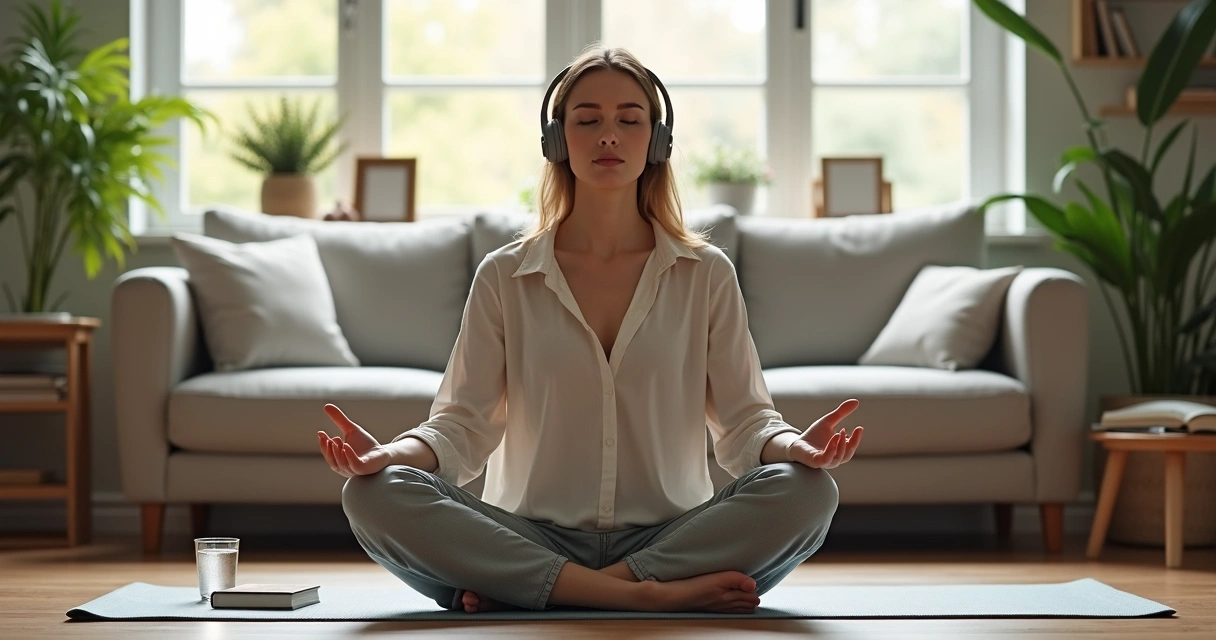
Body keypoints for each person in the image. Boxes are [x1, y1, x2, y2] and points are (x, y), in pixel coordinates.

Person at [317, 44, 863, 615]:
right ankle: (642, 597)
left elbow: (745, 422)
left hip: (670, 539)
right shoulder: (505, 275)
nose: (608, 136)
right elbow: (460, 425)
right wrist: (393, 454)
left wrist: (794, 447)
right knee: (375, 495)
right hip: (532, 537)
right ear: (557, 140)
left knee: (808, 491)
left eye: (629, 120)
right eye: (587, 120)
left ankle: (547, 591)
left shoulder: (706, 274)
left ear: (657, 141)